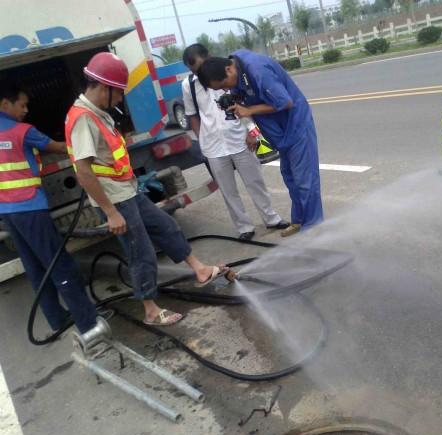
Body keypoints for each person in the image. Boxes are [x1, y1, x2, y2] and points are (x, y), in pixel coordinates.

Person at [65, 52, 224, 326]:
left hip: (128, 192)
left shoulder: (97, 114)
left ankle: (199, 269)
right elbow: (84, 172)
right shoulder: (83, 119)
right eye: (118, 93)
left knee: (167, 227)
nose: (120, 99)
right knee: (141, 254)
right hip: (117, 202)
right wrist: (111, 213)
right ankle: (150, 310)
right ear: (105, 87)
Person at [0, 83, 98, 334]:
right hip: (30, 207)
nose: (25, 109)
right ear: (5, 104)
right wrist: (84, 145)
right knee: (59, 263)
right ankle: (89, 321)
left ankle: (57, 319)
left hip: (8, 212)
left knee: (35, 268)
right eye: (21, 105)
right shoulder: (23, 131)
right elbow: (55, 146)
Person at [200, 49, 324, 237]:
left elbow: (285, 102)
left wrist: (249, 110)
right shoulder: (237, 71)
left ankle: (314, 228)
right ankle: (300, 221)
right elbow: (247, 100)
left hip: (296, 127)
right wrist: (251, 131)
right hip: (281, 133)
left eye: (224, 85)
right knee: (290, 177)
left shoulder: (258, 70)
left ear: (229, 69)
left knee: (305, 180)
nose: (225, 90)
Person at [181, 44, 289, 241]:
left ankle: (271, 218)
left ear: (210, 58)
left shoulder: (230, 76)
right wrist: (202, 140)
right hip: (213, 146)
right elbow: (192, 116)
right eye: (194, 70)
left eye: (200, 67)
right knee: (228, 190)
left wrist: (252, 132)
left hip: (239, 138)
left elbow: (245, 106)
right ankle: (244, 227)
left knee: (255, 182)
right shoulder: (188, 85)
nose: (199, 73)